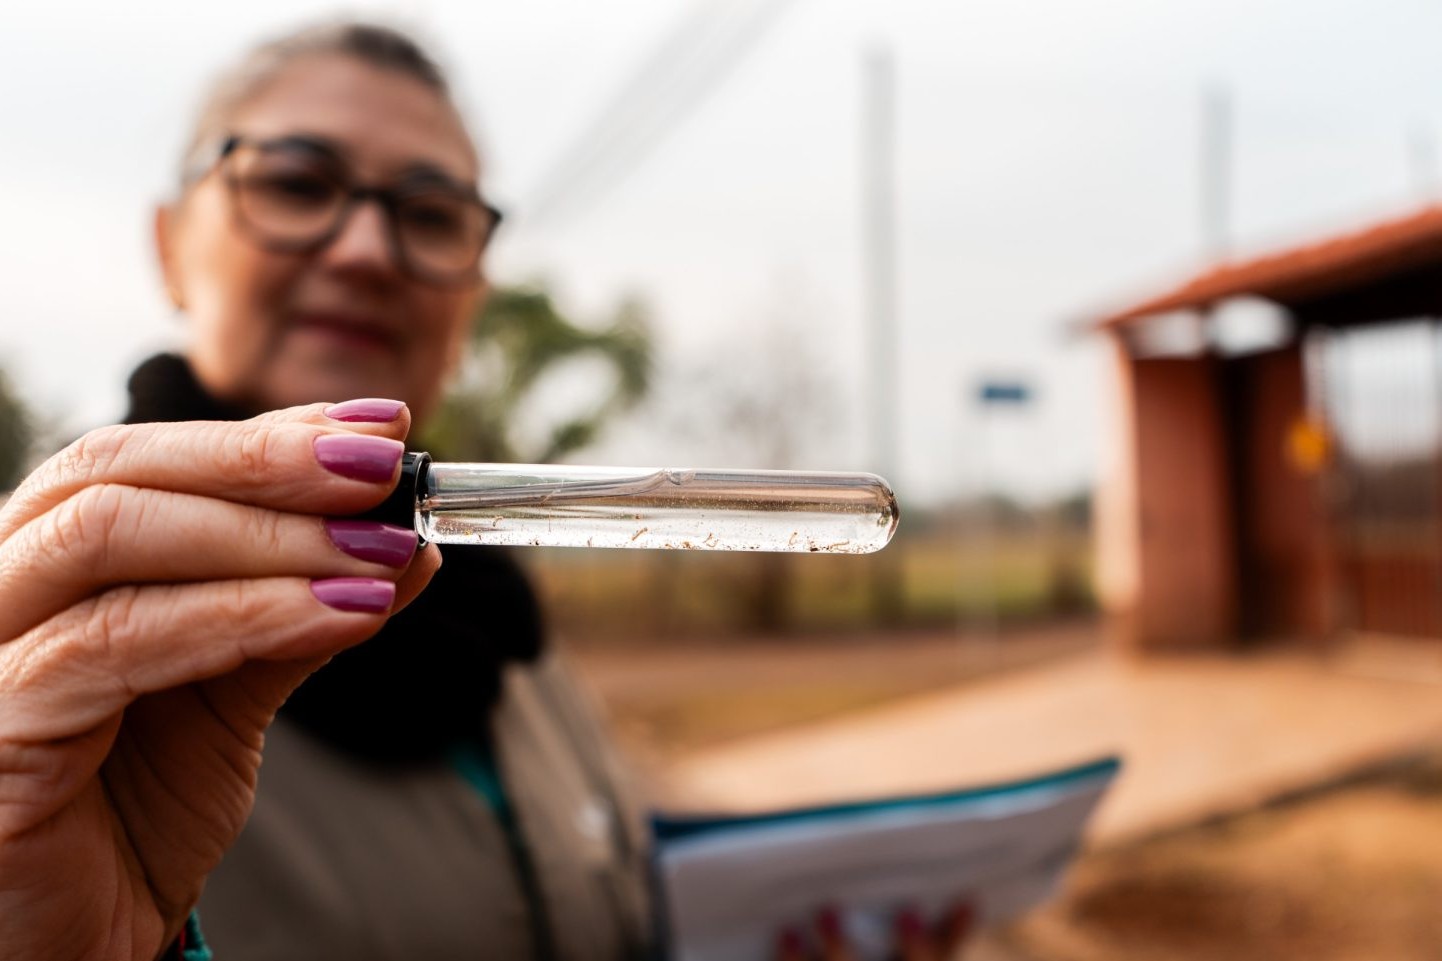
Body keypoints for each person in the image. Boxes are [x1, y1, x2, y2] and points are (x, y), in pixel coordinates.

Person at [0, 20, 967, 961]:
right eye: (297, 183)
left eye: (430, 214)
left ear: (474, 289)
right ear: (169, 243)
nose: (367, 249)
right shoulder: (46, 668)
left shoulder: (499, 621)